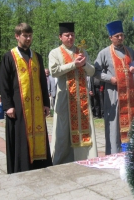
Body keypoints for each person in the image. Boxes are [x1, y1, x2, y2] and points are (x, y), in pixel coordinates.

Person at [0, 22, 52, 174]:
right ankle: (21, 169)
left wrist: (46, 104)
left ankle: (40, 167)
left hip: (36, 107)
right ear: (17, 36)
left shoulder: (37, 57)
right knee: (21, 138)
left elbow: (43, 81)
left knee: (39, 136)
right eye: (25, 36)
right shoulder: (9, 57)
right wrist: (8, 105)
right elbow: (4, 83)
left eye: (30, 36)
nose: (28, 39)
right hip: (18, 107)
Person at [49, 22, 97, 164]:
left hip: (81, 97)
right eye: (67, 35)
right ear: (60, 37)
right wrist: (73, 65)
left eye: (72, 35)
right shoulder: (55, 52)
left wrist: (84, 64)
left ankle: (86, 157)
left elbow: (92, 71)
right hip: (65, 96)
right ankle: (62, 159)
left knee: (85, 127)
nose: (70, 37)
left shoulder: (81, 51)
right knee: (63, 129)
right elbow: (54, 71)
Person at [94, 20, 134, 155]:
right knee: (114, 124)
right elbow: (96, 72)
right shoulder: (104, 53)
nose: (120, 38)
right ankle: (113, 153)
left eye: (122, 35)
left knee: (132, 122)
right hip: (113, 94)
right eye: (117, 36)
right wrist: (109, 78)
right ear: (110, 37)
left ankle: (131, 152)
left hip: (130, 95)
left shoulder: (130, 51)